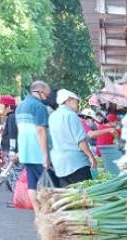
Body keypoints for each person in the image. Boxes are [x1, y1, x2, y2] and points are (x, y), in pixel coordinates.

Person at [15, 80, 53, 208]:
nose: (47, 97)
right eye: (47, 95)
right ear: (40, 91)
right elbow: (40, 130)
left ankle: (37, 212)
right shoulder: (39, 107)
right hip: (37, 152)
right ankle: (46, 212)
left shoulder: (20, 106)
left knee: (32, 184)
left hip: (25, 152)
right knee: (46, 185)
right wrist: (45, 155)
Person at [48, 89, 97, 187]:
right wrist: (90, 156)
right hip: (76, 163)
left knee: (70, 196)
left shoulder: (52, 116)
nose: (78, 104)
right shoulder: (71, 115)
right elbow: (80, 140)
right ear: (68, 100)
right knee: (85, 196)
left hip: (60, 165)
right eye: (76, 101)